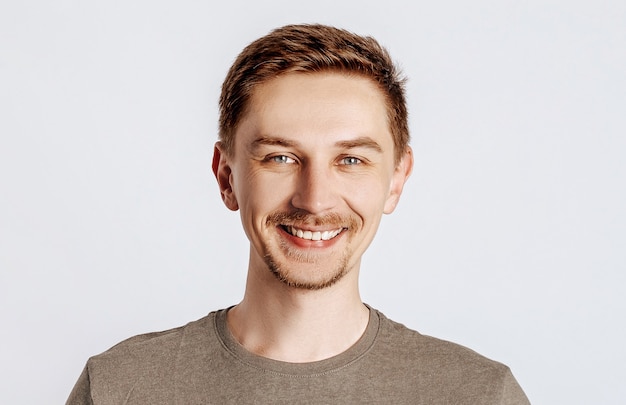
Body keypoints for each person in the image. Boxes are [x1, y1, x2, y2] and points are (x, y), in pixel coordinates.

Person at [67, 24, 530, 404]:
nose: (314, 200)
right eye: (280, 157)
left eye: (351, 160)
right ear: (227, 176)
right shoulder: (118, 388)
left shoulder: (479, 395)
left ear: (397, 179)